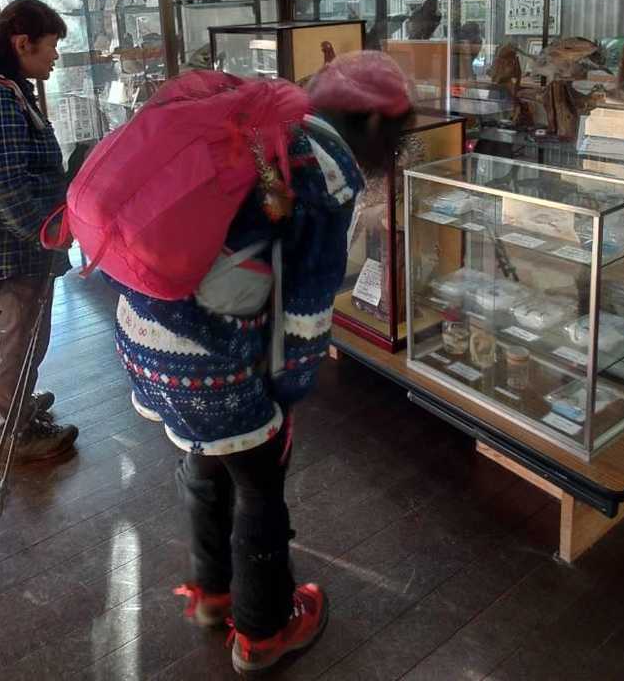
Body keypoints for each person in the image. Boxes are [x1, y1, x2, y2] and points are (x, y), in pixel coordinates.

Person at [109, 52, 415, 674]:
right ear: (375, 127)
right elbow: (305, 308)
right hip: (211, 361)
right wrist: (287, 393)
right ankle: (264, 630)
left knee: (204, 457)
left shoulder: (270, 125)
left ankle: (212, 593)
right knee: (259, 484)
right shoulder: (326, 171)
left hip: (144, 327)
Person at [0, 0, 77, 463]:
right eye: (50, 45)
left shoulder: (0, 88)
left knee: (14, 334)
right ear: (23, 43)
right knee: (21, 337)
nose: (55, 55)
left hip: (9, 243)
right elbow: (3, 184)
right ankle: (14, 431)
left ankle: (4, 407)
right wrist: (46, 233)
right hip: (11, 248)